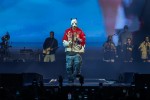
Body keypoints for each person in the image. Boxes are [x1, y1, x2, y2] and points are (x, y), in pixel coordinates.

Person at [62, 18, 86, 83]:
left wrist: (79, 40)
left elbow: (83, 39)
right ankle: (71, 78)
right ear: (71, 24)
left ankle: (75, 76)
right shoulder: (67, 31)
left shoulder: (80, 31)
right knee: (69, 67)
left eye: (75, 23)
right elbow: (64, 41)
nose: (74, 25)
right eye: (73, 23)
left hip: (77, 52)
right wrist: (68, 43)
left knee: (77, 65)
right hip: (69, 53)